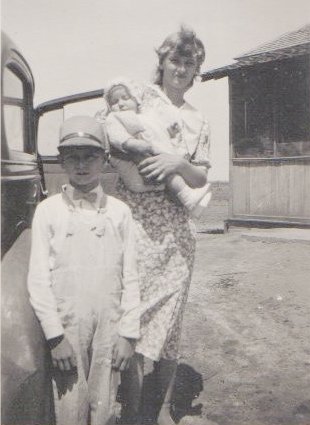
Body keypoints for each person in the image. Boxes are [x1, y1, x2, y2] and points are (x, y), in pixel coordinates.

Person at [114, 27, 211, 425]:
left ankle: (161, 411)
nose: (181, 68)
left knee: (170, 329)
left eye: (189, 63)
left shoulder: (197, 119)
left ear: (196, 71)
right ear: (162, 63)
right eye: (175, 60)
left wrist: (177, 163)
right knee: (132, 321)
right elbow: (116, 138)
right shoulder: (140, 102)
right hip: (138, 222)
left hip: (178, 230)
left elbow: (202, 176)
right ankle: (133, 413)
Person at [27, 115, 140, 425]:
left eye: (90, 156)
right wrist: (55, 337)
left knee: (106, 408)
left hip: (110, 326)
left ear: (104, 159)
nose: (82, 164)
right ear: (62, 161)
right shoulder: (48, 212)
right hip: (68, 328)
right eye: (73, 157)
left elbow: (131, 275)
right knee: (70, 409)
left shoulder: (120, 213)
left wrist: (129, 333)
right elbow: (38, 280)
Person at [96, 77, 211, 217]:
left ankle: (190, 199)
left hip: (154, 180)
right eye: (114, 102)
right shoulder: (113, 118)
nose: (120, 104)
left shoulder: (145, 117)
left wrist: (170, 131)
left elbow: (156, 131)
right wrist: (131, 144)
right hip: (139, 175)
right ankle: (187, 196)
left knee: (167, 167)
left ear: (136, 99)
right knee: (164, 169)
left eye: (125, 98)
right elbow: (116, 135)